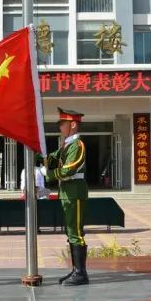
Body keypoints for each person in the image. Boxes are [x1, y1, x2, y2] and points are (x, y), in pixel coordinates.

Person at [46, 108, 90, 286]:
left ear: (72, 124)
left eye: (62, 124)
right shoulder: (66, 145)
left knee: (76, 232)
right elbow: (52, 158)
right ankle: (76, 270)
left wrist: (49, 174)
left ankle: (81, 273)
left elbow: (68, 169)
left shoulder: (77, 145)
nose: (60, 127)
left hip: (75, 191)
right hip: (67, 191)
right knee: (71, 231)